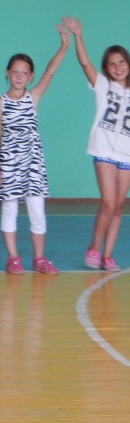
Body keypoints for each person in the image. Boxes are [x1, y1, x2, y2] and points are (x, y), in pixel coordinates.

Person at [0, 27, 69, 275]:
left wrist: (64, 46)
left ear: (31, 76)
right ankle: (13, 258)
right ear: (7, 73)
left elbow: (51, 71)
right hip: (8, 163)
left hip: (32, 162)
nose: (19, 76)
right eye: (15, 71)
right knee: (10, 209)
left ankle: (39, 259)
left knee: (37, 210)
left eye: (24, 73)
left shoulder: (33, 97)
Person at [63, 16, 130, 272]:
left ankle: (108, 256)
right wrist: (78, 35)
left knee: (119, 206)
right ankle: (94, 246)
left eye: (121, 61)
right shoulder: (103, 85)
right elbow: (84, 62)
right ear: (106, 68)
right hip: (103, 150)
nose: (117, 67)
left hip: (126, 155)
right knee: (109, 202)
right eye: (112, 63)